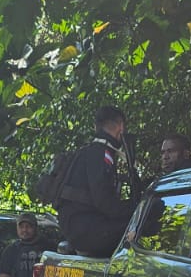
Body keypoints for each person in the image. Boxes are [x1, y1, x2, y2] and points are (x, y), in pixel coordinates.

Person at [57, 105, 134, 257]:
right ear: (121, 126)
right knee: (143, 224)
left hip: (78, 228)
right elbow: (104, 201)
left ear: (95, 127)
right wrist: (134, 208)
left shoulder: (88, 151)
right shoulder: (101, 153)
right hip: (88, 230)